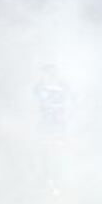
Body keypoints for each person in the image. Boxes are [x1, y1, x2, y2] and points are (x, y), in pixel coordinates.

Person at [33, 64, 71, 196]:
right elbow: (36, 92)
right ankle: (47, 182)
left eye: (52, 72)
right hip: (46, 126)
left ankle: (58, 183)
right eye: (48, 72)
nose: (50, 75)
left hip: (58, 126)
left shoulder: (63, 86)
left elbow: (73, 99)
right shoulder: (42, 87)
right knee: (45, 153)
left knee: (59, 152)